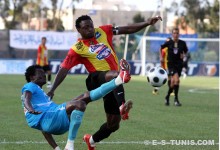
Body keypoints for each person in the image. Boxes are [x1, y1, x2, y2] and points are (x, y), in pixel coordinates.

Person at [47, 15, 162, 150]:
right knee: (116, 75)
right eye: (85, 27)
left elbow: (128, 28)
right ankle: (122, 106)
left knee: (113, 125)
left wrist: (147, 23)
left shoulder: (103, 31)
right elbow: (63, 69)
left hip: (113, 84)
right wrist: (52, 89)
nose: (90, 29)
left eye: (91, 25)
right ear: (78, 30)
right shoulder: (77, 48)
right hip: (95, 80)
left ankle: (91, 140)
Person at [20, 59, 130, 150]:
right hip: (54, 119)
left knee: (85, 96)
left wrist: (56, 148)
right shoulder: (30, 86)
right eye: (40, 73)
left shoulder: (40, 97)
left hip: (54, 121)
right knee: (79, 104)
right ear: (32, 77)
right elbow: (26, 99)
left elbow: (43, 128)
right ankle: (69, 146)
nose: (44, 75)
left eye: (44, 73)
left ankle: (119, 80)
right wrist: (29, 108)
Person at [161, 28, 188, 106]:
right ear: (172, 34)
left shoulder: (182, 43)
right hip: (171, 64)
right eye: (174, 33)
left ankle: (167, 97)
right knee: (177, 80)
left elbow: (185, 51)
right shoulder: (169, 43)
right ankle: (176, 100)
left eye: (177, 33)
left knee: (173, 83)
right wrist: (161, 57)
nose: (176, 35)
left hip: (179, 64)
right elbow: (161, 47)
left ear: (179, 34)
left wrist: (183, 55)